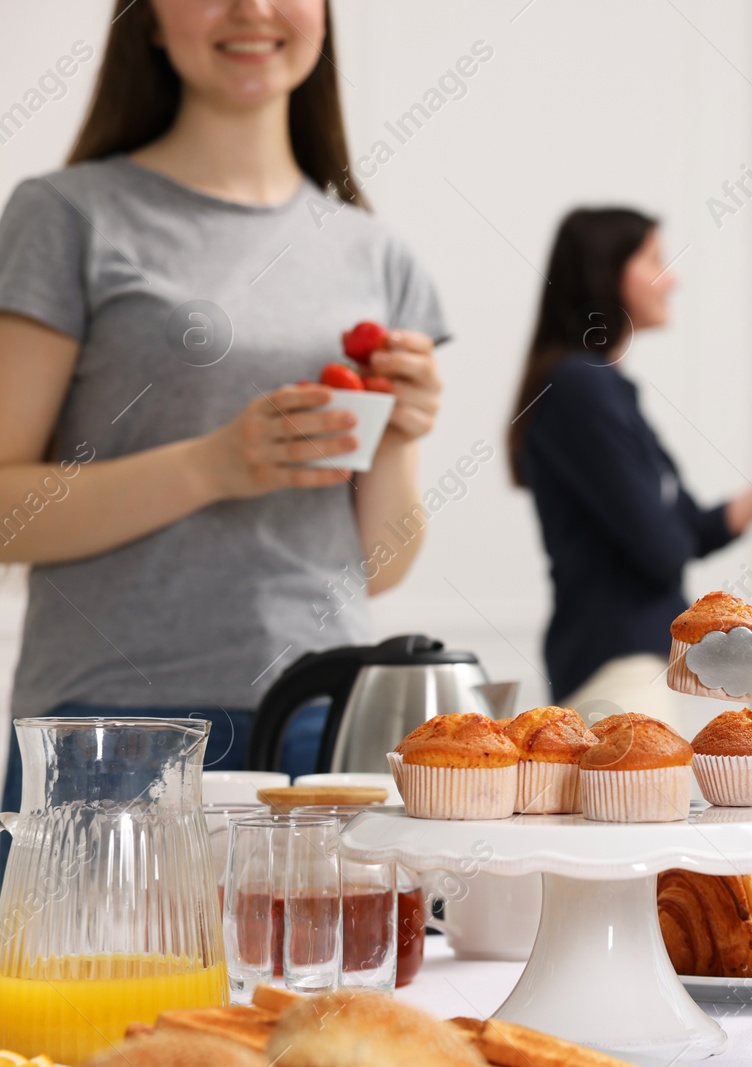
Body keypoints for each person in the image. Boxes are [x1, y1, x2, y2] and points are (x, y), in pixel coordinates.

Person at [0, 0, 446, 845]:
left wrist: (399, 434)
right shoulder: (66, 215)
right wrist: (213, 465)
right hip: (112, 731)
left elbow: (377, 570)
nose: (252, 9)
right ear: (149, 20)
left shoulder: (377, 253)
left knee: (325, 982)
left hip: (323, 717)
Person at [509, 207, 752, 729]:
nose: (673, 278)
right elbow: (663, 550)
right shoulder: (582, 387)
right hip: (616, 661)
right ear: (606, 271)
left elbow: (696, 531)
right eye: (656, 260)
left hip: (637, 660)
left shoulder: (606, 390)